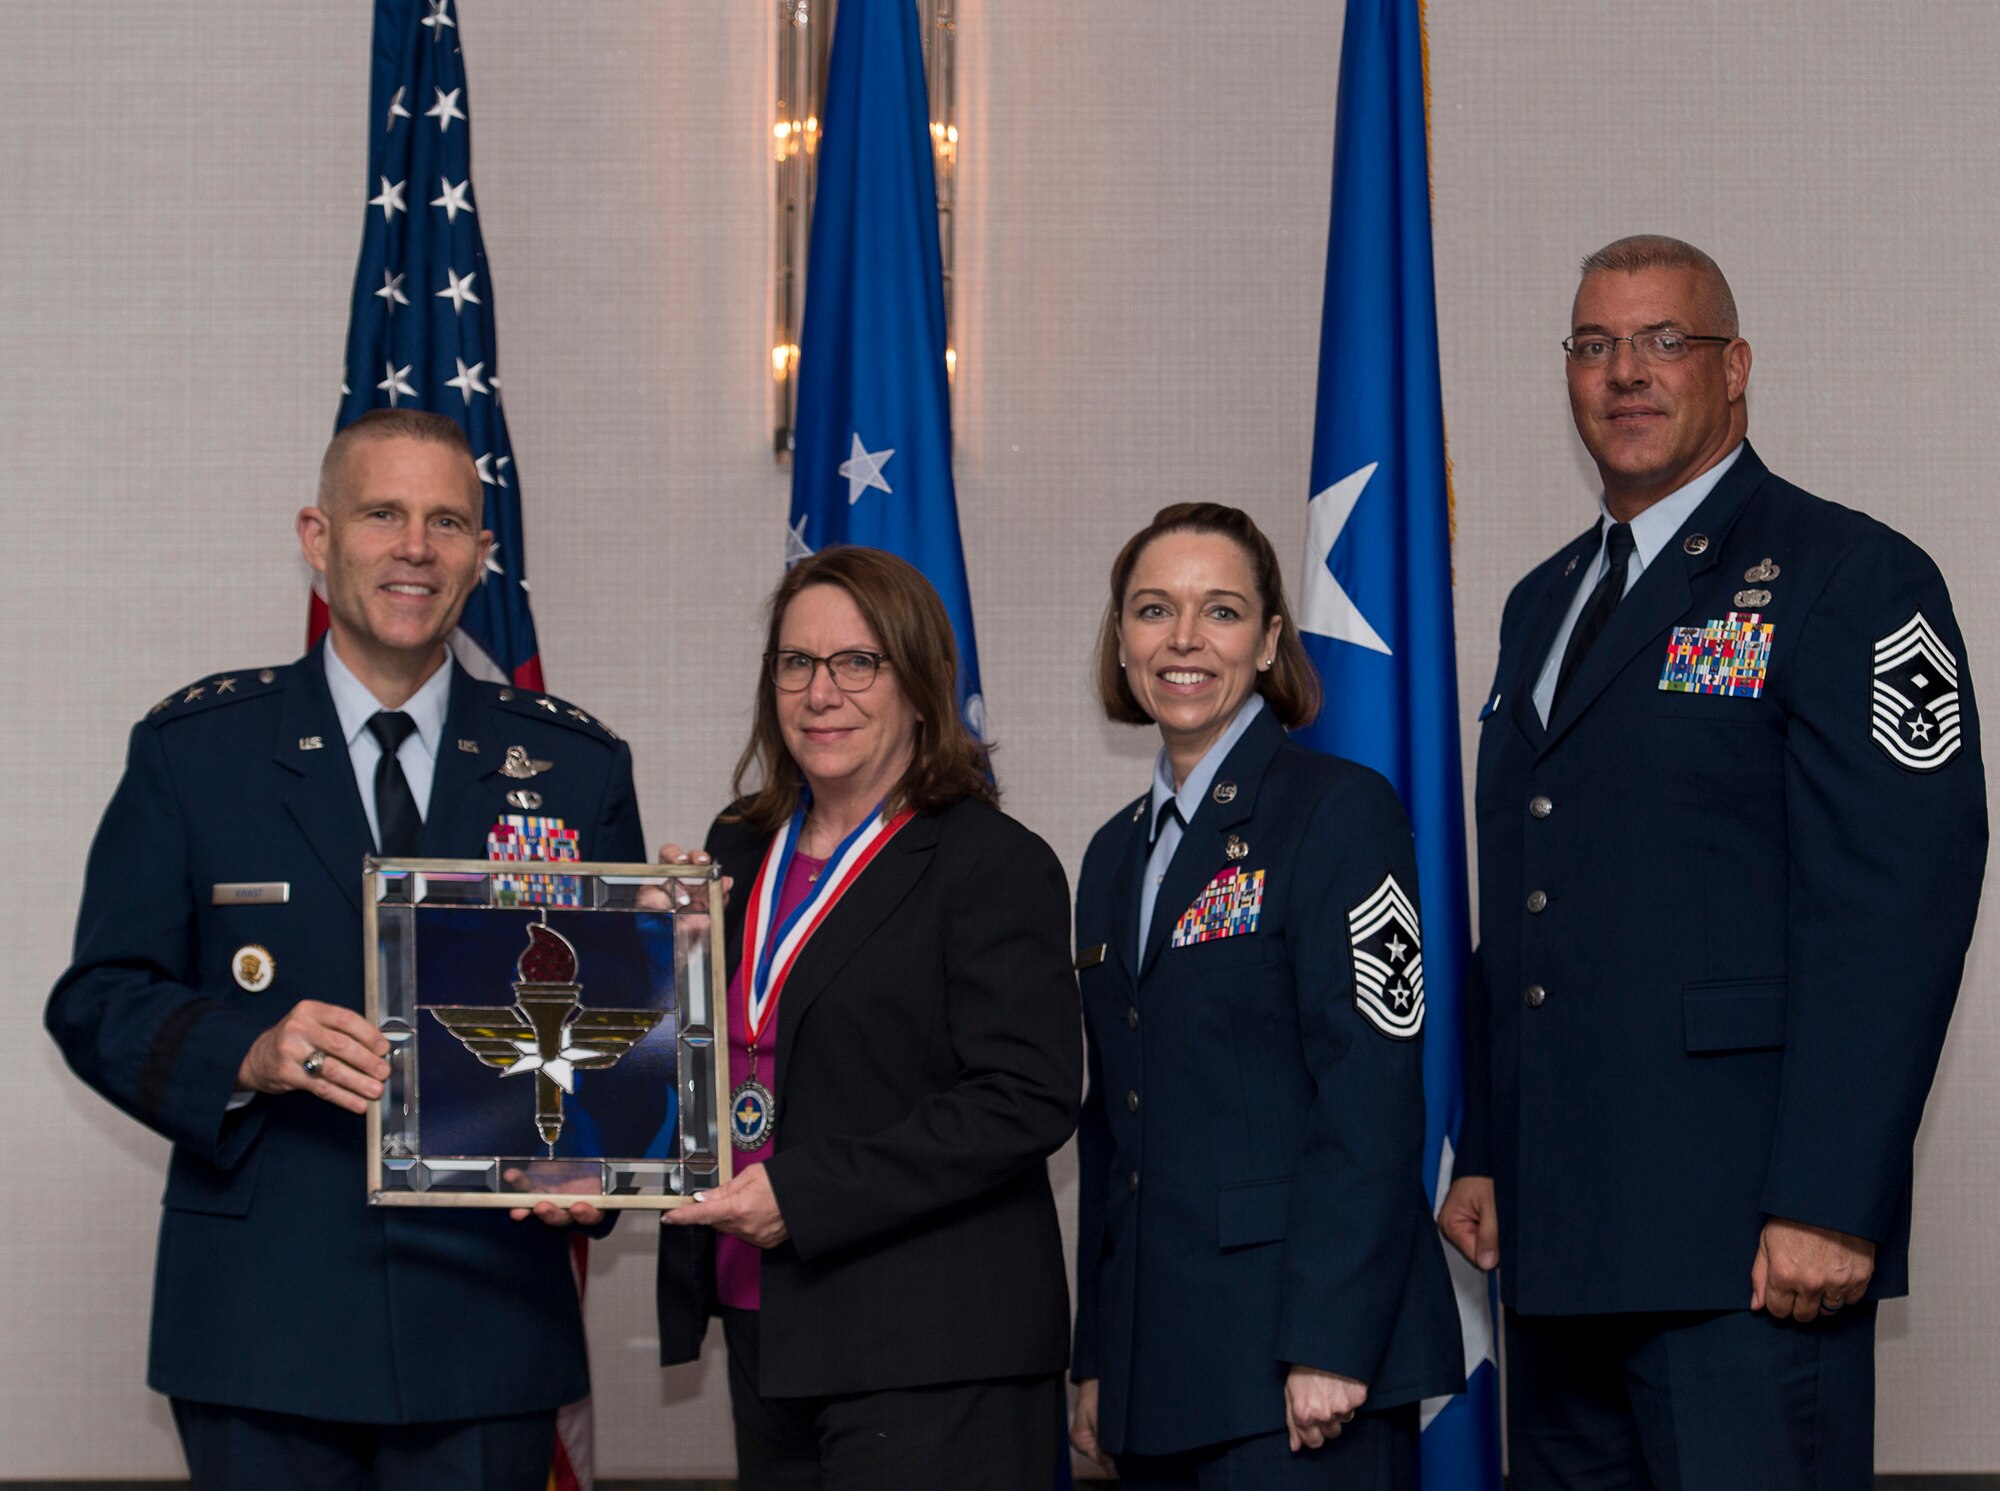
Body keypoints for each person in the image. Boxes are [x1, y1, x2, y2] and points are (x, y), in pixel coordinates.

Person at [1439, 235, 1987, 1490]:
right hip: (1562, 1235)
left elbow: (1895, 902)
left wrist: (1829, 1198)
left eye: (1661, 341)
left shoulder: (1847, 575)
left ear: (1731, 367)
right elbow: (1534, 899)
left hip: (1744, 1241)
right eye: (1593, 345)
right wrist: (1485, 1148)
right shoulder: (1544, 601)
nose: (1623, 372)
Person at [45, 408, 644, 1490]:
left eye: (447, 522)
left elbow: (610, 1041)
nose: (415, 547)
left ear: (482, 557)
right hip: (258, 1322)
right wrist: (246, 1050)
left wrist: (595, 1163)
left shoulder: (572, 769)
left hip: (484, 1324)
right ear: (318, 538)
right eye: (382, 514)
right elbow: (97, 999)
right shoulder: (198, 754)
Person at [653, 545, 1082, 1490]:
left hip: (930, 1350)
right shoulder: (738, 847)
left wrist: (802, 1194)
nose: (821, 692)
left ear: (921, 683)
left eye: (858, 662)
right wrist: (657, 961)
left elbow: (1026, 1097)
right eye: (796, 663)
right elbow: (727, 1051)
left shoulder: (990, 862)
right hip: (766, 1323)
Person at [1069, 503, 1463, 1489]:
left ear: (1270, 639)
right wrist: (1094, 1358)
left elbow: (1370, 1094)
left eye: (1222, 612)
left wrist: (1331, 1338)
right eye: (1154, 611)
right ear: (1121, 642)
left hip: (1301, 1366)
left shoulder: (1338, 812)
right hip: (1156, 1367)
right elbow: (1112, 1132)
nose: (1185, 640)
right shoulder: (1111, 854)